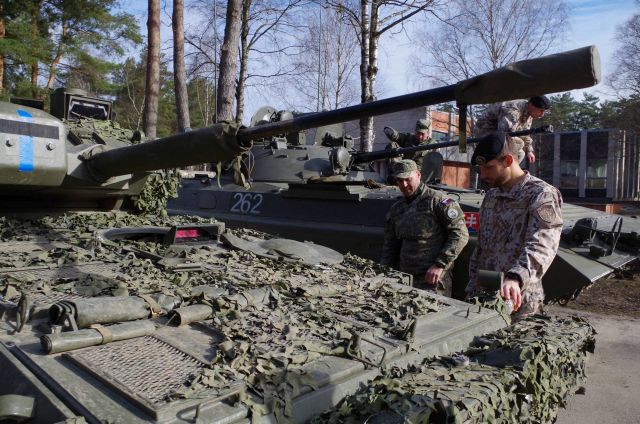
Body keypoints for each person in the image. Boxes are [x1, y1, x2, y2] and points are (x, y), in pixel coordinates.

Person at [466, 133, 563, 321]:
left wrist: (516, 277)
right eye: (481, 169)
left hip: (518, 299)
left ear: (508, 160)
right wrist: (472, 285)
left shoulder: (541, 194)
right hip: (483, 296)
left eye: (489, 168)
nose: (483, 175)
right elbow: (482, 246)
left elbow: (542, 244)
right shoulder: (491, 196)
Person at [380, 159, 469, 296]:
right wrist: (384, 272)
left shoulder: (438, 201)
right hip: (404, 280)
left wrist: (440, 264)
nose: (404, 184)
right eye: (399, 180)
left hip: (433, 280)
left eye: (408, 179)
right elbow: (390, 245)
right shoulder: (397, 209)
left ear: (418, 175)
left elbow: (460, 234)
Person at [474, 96, 551, 164]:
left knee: (520, 153)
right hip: (485, 131)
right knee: (519, 147)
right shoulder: (513, 111)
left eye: (544, 111)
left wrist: (529, 150)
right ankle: (501, 171)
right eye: (541, 110)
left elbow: (524, 133)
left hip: (497, 133)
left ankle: (505, 172)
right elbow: (505, 134)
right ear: (531, 105)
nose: (542, 114)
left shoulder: (528, 111)